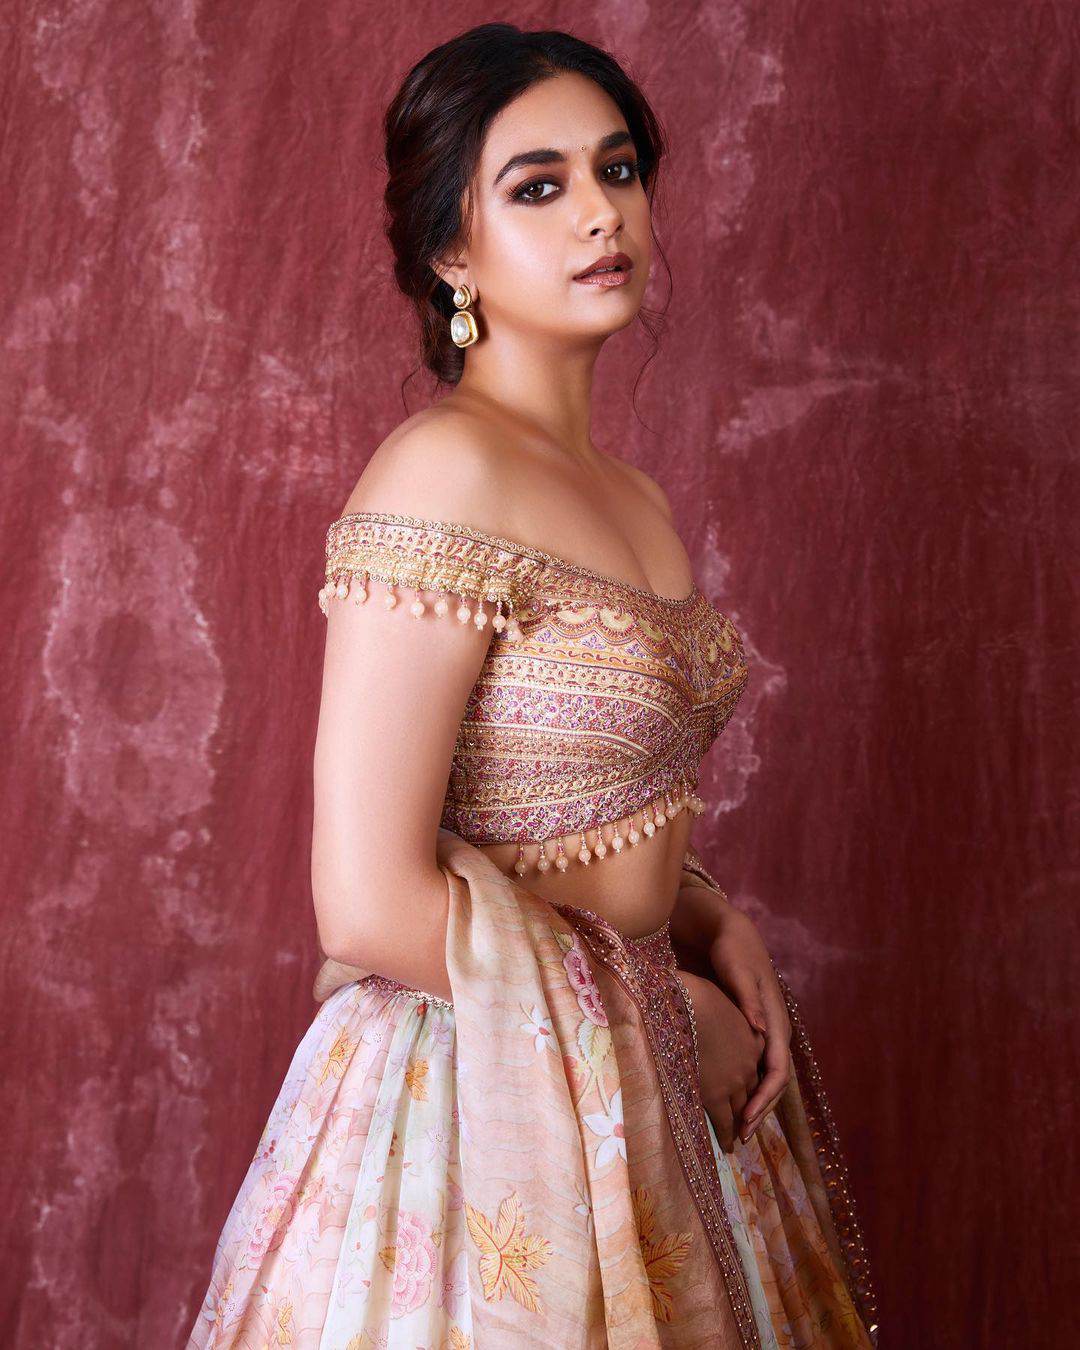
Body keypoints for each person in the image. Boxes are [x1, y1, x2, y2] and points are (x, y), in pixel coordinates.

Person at [186, 23, 879, 1349]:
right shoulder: (441, 473)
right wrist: (662, 1019)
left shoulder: (634, 497)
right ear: (451, 252)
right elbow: (366, 897)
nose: (601, 214)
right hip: (479, 1106)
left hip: (634, 1079)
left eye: (617, 170)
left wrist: (701, 915)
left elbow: (558, 807)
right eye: (538, 186)